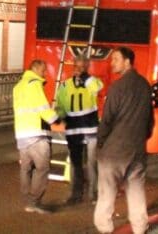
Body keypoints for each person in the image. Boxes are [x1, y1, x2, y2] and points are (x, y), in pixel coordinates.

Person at [94, 47, 154, 234]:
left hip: (114, 151)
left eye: (116, 59)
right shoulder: (145, 85)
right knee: (136, 190)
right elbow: (149, 120)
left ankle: (105, 228)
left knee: (107, 192)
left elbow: (107, 119)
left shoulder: (117, 88)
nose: (112, 63)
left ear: (127, 61)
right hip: (137, 149)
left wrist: (101, 142)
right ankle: (140, 228)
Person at [13, 58, 65, 214]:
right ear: (36, 69)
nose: (45, 74)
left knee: (26, 168)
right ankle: (34, 202)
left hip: (22, 135)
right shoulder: (34, 84)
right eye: (43, 71)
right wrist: (56, 121)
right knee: (42, 168)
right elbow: (43, 108)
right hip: (36, 135)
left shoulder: (18, 86)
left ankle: (27, 198)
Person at [54, 50, 104, 204]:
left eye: (82, 67)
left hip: (90, 130)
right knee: (75, 164)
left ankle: (94, 193)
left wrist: (84, 77)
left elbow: (97, 88)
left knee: (92, 163)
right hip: (74, 130)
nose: (78, 69)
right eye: (76, 66)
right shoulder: (65, 86)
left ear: (87, 68)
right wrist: (58, 116)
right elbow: (60, 106)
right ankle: (75, 194)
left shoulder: (92, 82)